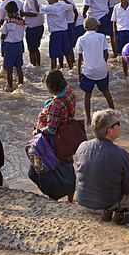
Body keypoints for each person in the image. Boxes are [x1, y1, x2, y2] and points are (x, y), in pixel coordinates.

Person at [73, 110, 129, 221]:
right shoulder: (121, 154)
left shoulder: (82, 147)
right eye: (117, 123)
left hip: (84, 202)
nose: (119, 125)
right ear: (109, 131)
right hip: (109, 204)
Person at [28, 70, 78, 201]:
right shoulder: (69, 92)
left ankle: (54, 197)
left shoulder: (55, 105)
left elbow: (51, 129)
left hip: (55, 142)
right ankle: (70, 199)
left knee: (47, 171)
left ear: (50, 88)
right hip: (68, 136)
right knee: (68, 168)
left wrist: (37, 132)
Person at [74, 17, 114, 122]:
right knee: (106, 92)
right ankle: (113, 113)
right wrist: (103, 63)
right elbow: (106, 53)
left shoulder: (81, 39)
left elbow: (79, 58)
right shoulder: (101, 37)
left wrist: (78, 72)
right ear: (96, 27)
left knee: (87, 95)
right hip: (101, 70)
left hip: (88, 72)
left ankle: (88, 118)